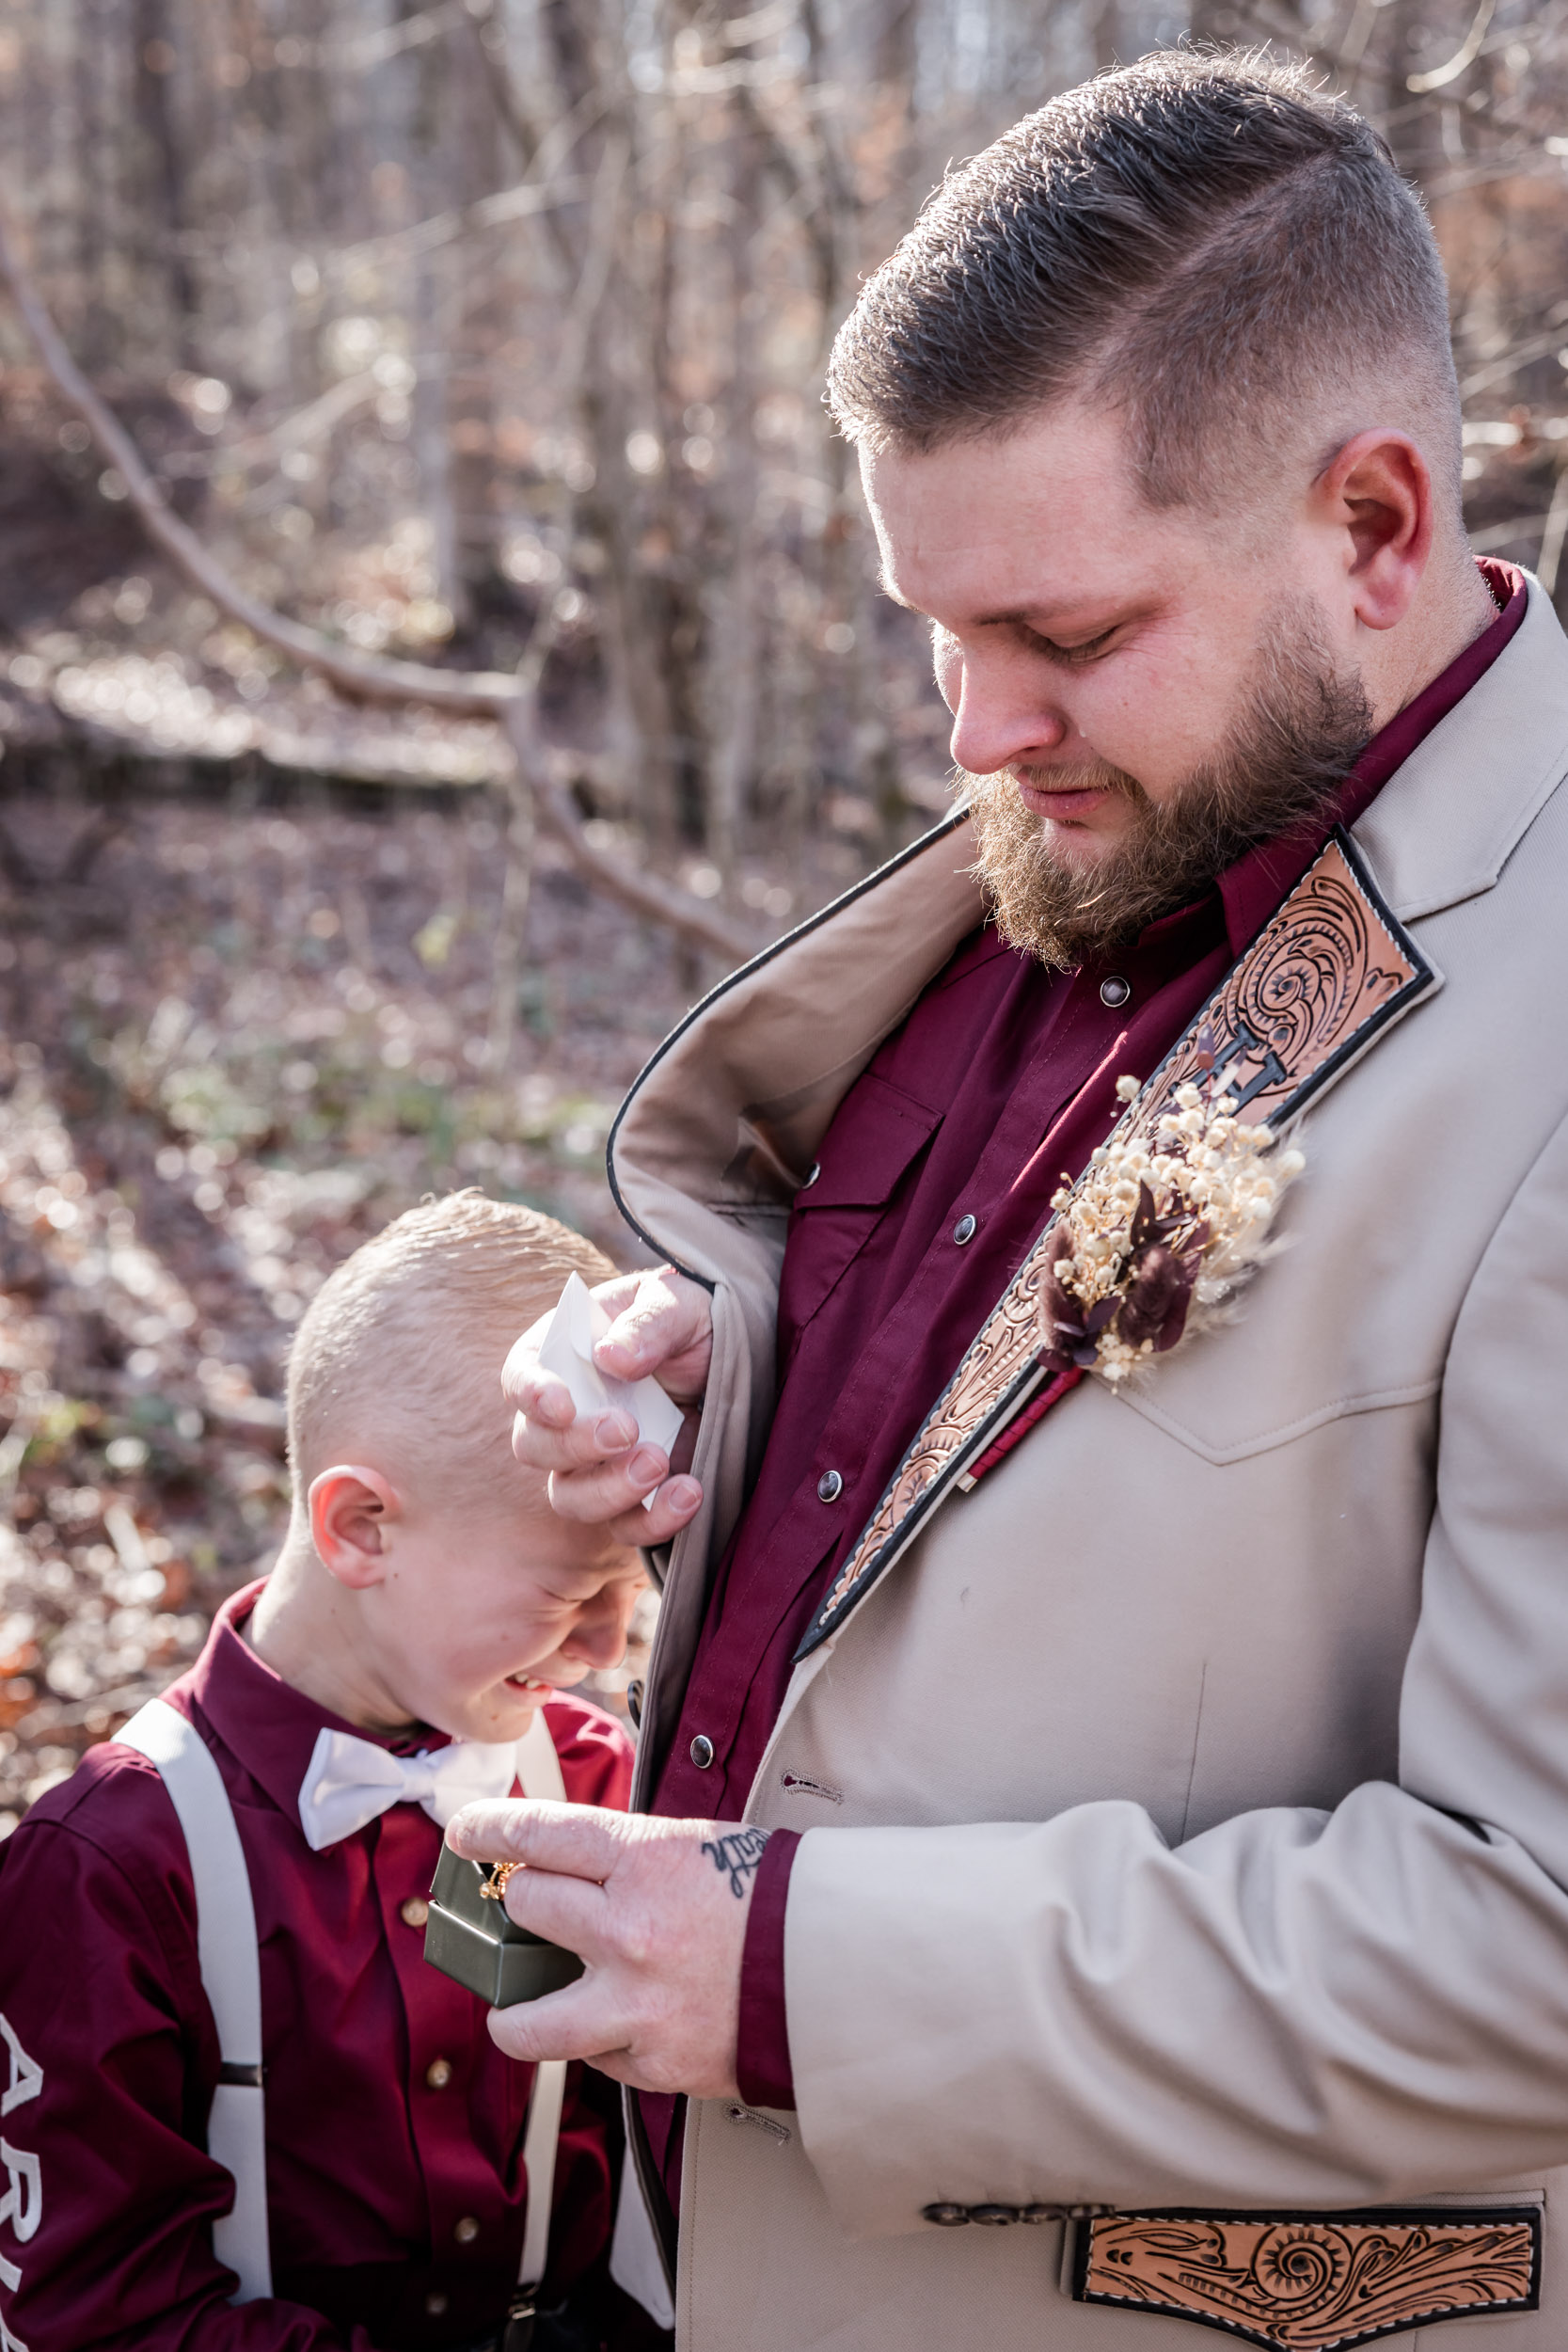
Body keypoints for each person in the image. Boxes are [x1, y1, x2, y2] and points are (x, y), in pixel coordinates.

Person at [453, 49, 1568, 2352]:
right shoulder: (1129, 815)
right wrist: (707, 1376)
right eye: (932, 632)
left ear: (1371, 525)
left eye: (1056, 639)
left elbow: (1534, 1947)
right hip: (676, 2262)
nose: (971, 731)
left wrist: (784, 1971)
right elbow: (1028, 1442)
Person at [0, 1193, 664, 2352]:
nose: (612, 1646)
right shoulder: (111, 1870)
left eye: (633, 1588)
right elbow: (93, 2314)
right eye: (573, 1594)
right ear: (360, 1526)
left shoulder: (594, 1790)